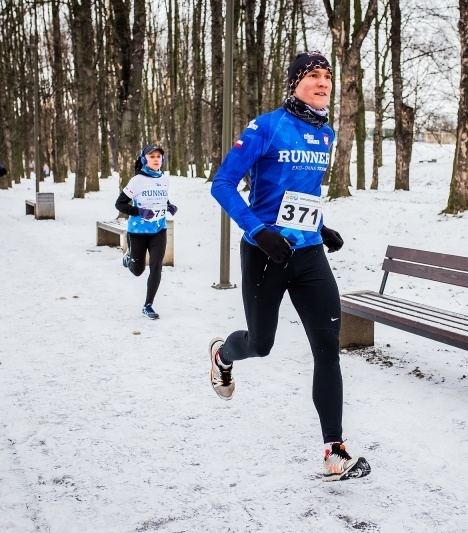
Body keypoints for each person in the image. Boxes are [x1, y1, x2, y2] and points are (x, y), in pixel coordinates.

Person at [208, 51, 370, 481]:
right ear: (295, 82)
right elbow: (222, 184)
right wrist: (258, 231)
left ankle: (334, 450)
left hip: (309, 252)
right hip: (265, 253)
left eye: (328, 77)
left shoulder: (327, 133)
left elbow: (300, 192)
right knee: (261, 344)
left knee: (327, 349)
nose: (322, 83)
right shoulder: (267, 126)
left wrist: (321, 224)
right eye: (313, 76)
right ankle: (223, 354)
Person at [115, 144, 178, 319]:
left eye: (159, 156)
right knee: (138, 271)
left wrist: (169, 205)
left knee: (157, 266)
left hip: (159, 229)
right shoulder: (137, 181)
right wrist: (140, 212)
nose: (156, 159)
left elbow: (160, 199)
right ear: (144, 160)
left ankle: (148, 305)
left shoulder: (164, 179)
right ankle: (129, 257)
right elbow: (119, 204)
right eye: (152, 156)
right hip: (138, 232)